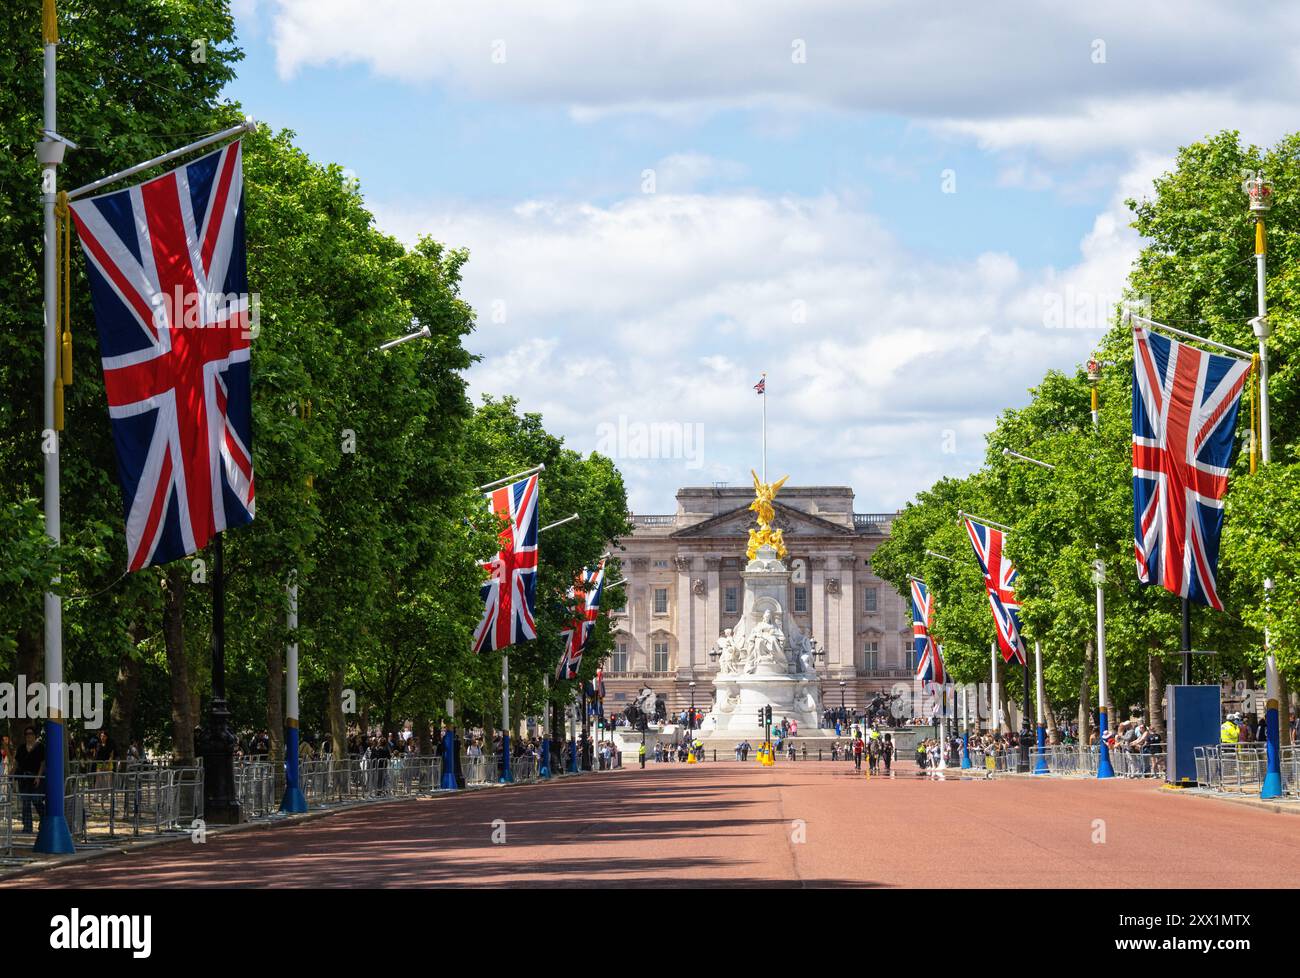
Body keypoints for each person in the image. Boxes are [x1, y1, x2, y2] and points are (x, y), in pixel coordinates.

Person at [16, 726, 46, 833]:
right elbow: (17, 763)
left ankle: (44, 819)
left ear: (35, 735)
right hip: (24, 779)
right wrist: (11, 775)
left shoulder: (40, 747)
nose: (29, 736)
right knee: (25, 802)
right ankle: (27, 826)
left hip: (36, 778)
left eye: (31, 734)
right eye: (27, 734)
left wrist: (38, 776)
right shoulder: (21, 748)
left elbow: (43, 763)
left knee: (36, 799)